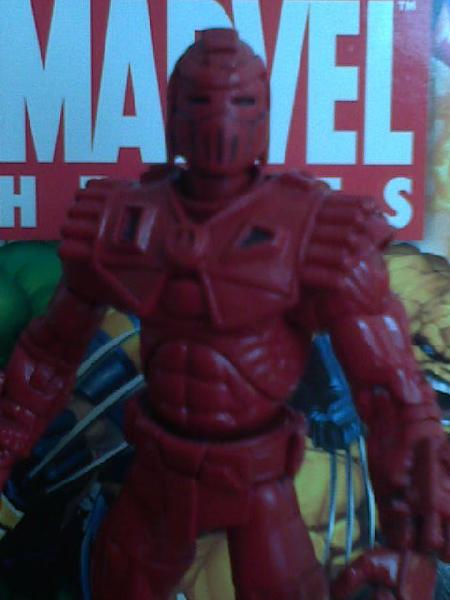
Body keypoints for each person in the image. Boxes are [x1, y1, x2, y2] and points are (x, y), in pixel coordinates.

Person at [0, 28, 448, 600]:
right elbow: (48, 354)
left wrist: (411, 544)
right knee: (116, 581)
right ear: (173, 115)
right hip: (158, 468)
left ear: (263, 116)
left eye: (239, 102)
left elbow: (391, 393)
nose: (220, 123)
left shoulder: (317, 229)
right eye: (201, 102)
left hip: (261, 475)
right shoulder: (122, 219)